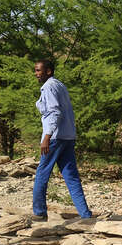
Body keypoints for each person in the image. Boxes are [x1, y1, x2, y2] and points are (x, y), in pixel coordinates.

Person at [31, 59, 92, 221]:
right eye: (35, 70)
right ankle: (85, 215)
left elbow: (54, 112)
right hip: (68, 136)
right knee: (71, 177)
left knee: (42, 173)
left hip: (55, 137)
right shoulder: (60, 85)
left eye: (38, 71)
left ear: (49, 71)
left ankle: (39, 212)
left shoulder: (49, 87)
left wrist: (47, 137)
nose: (36, 74)